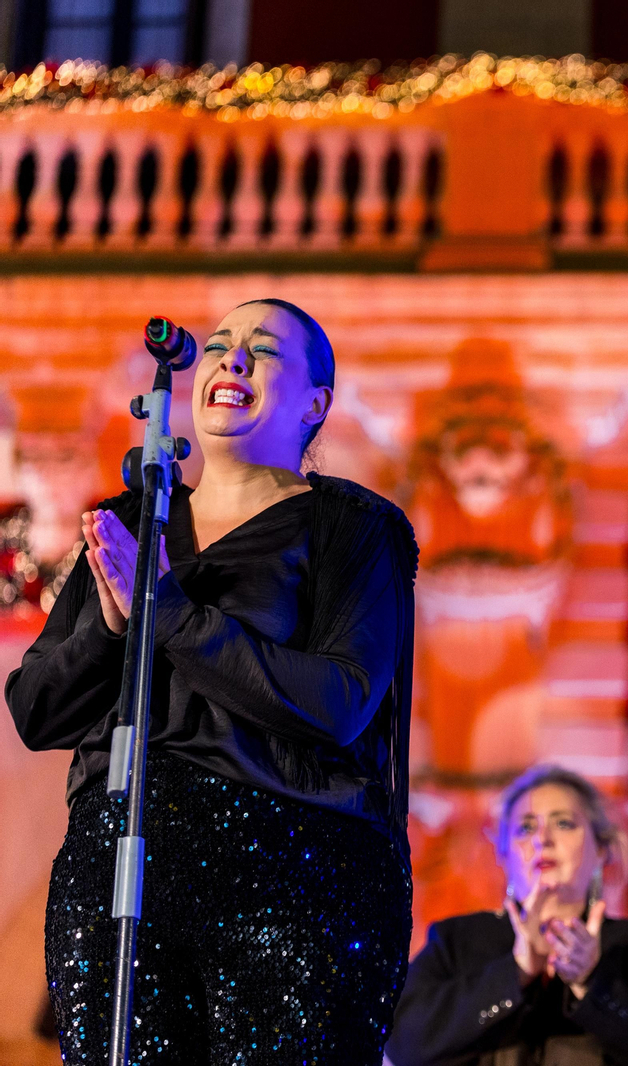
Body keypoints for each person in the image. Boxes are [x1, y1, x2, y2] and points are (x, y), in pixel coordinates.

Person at [6, 298, 417, 1065]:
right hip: (115, 872)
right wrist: (117, 620)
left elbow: (340, 701)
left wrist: (171, 613)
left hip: (289, 874)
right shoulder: (130, 523)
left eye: (262, 351)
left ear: (316, 403)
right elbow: (38, 710)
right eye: (221, 345)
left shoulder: (352, 527)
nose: (231, 360)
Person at [387, 764, 628, 1066]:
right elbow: (402, 1042)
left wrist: (593, 981)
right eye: (525, 829)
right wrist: (514, 972)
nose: (543, 839)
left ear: (600, 849)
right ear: (503, 853)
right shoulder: (459, 940)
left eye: (563, 823)